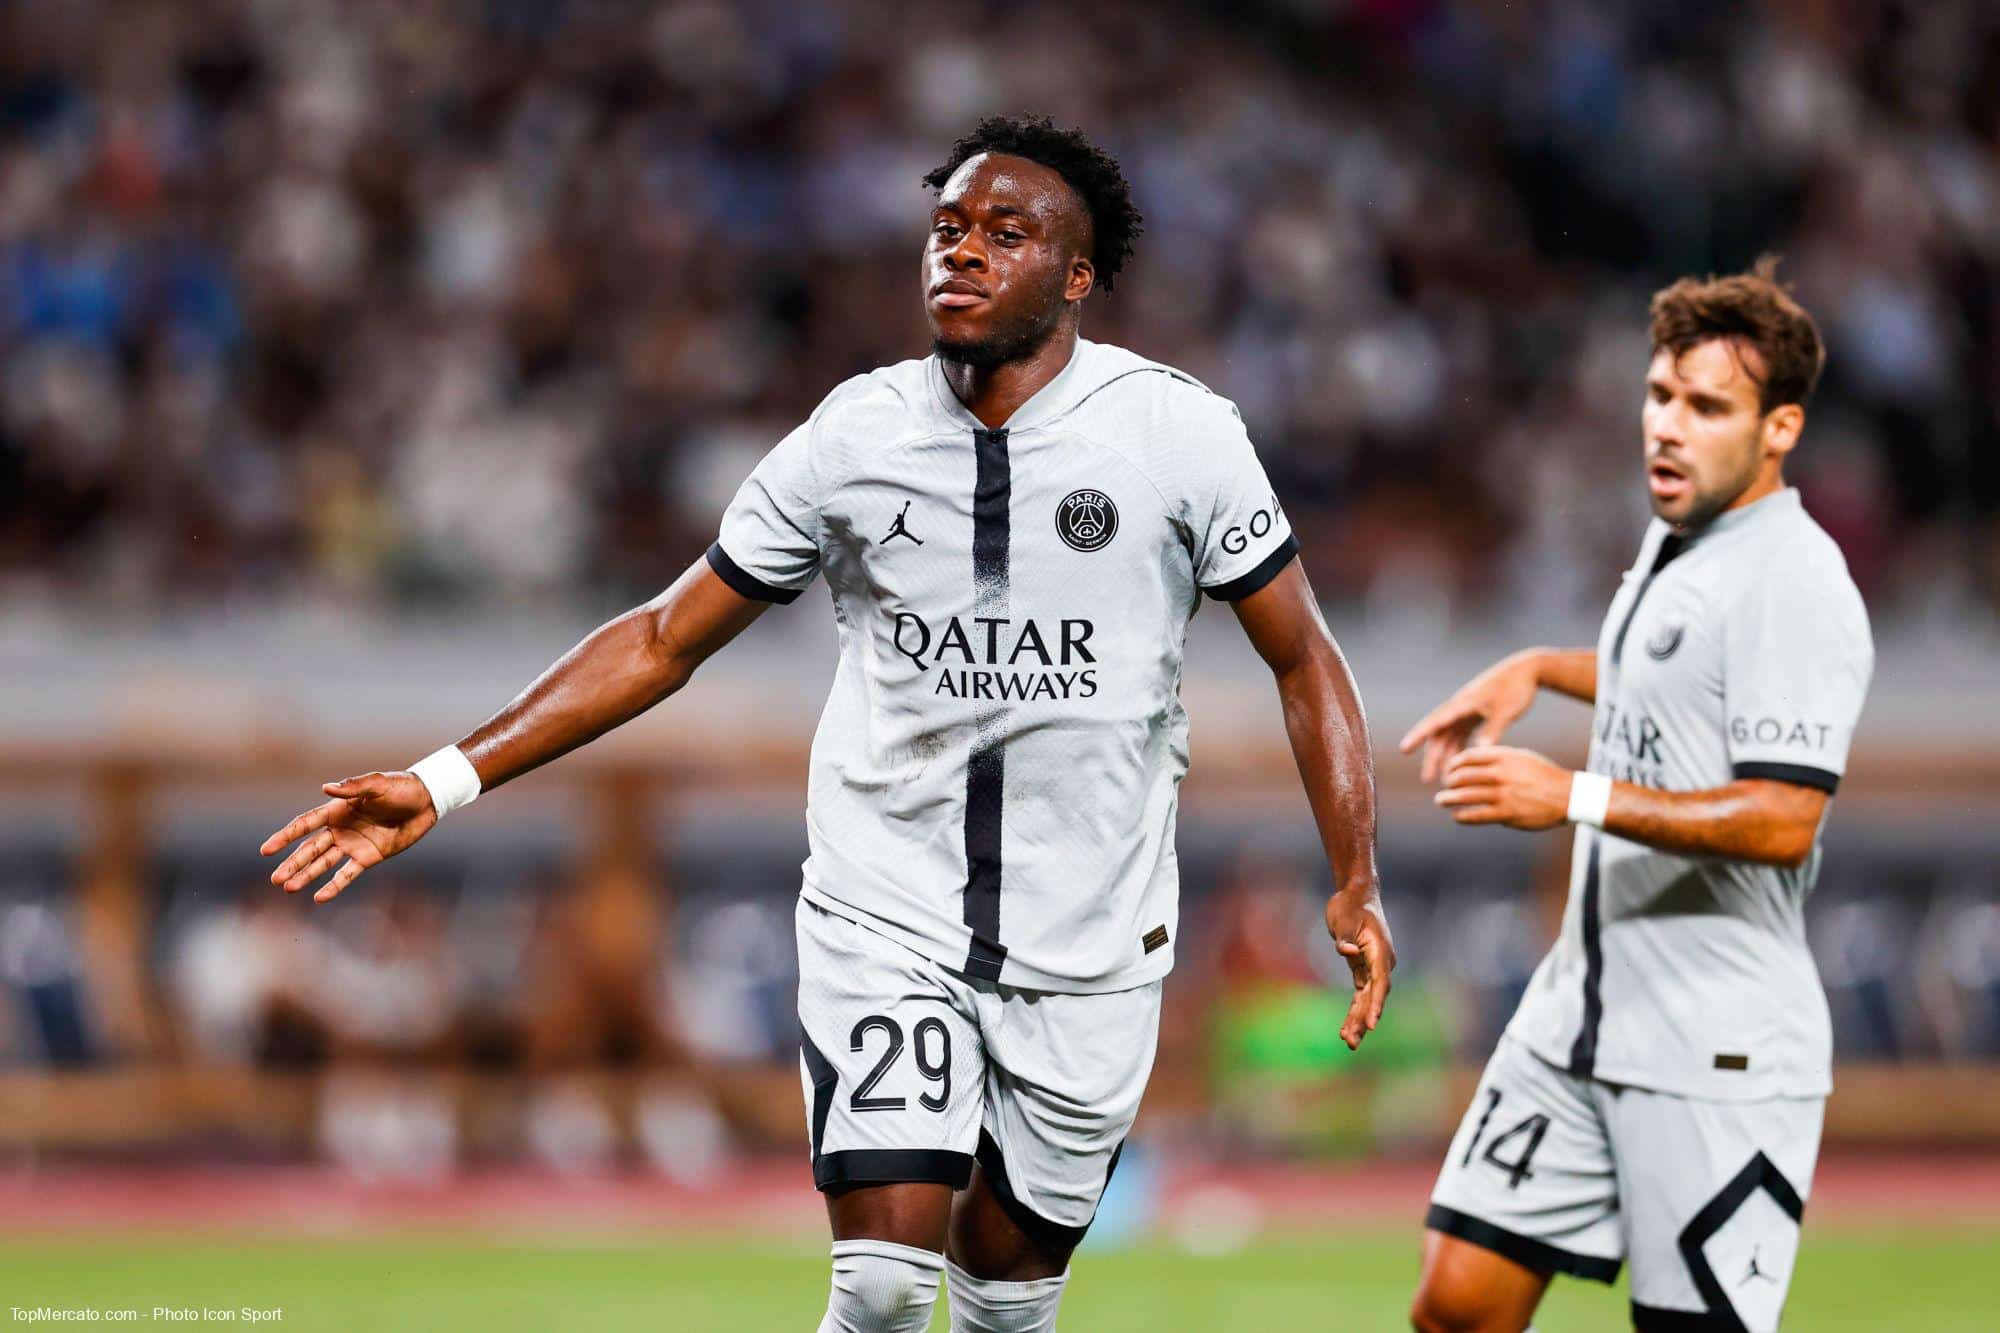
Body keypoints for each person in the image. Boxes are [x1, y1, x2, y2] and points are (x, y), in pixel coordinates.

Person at [259, 114, 1394, 1333]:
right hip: (885, 908)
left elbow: (1301, 654)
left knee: (1006, 1302)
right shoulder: (854, 435)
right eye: (946, 227)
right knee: (885, 1286)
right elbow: (664, 635)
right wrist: (445, 778)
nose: (961, 250)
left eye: (1004, 232)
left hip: (1094, 939)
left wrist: (1354, 878)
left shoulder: (1178, 436)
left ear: (1076, 277)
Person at [1401, 260, 1873, 1333]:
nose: (1666, 424)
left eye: (1706, 406)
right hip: (1580, 1012)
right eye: (1659, 394)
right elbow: (1674, 678)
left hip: (1713, 1047)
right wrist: (1540, 666)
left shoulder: (1793, 583)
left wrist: (1572, 794)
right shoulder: (1684, 538)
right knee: (1457, 1303)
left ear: (1779, 428)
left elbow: (1784, 816)